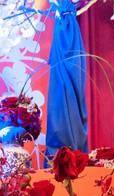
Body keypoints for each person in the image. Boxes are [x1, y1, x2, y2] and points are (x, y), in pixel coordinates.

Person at [43, 0, 89, 157]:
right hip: (62, 28)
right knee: (59, 94)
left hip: (69, 29)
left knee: (74, 87)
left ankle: (73, 150)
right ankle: (60, 152)